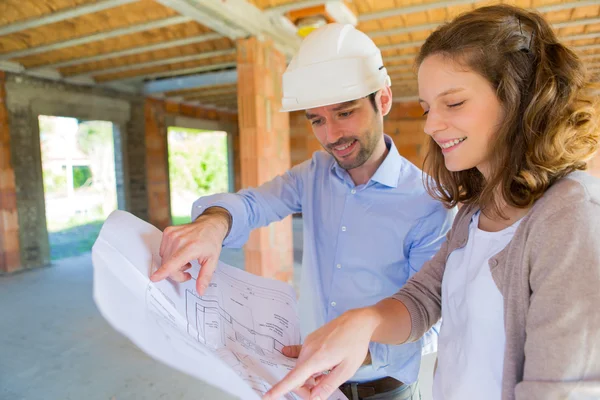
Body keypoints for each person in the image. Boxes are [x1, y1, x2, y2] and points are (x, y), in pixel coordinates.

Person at [263, 4, 600, 400]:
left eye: (453, 103)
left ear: (519, 99)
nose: (430, 124)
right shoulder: (476, 209)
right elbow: (425, 299)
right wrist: (365, 323)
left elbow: (562, 391)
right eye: (426, 108)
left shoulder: (571, 216)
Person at [151, 23, 456, 400]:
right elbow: (253, 204)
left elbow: (429, 317)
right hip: (309, 380)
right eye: (317, 120)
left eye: (344, 113)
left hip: (384, 390)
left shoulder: (429, 201)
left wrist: (355, 350)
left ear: (384, 100)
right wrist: (214, 223)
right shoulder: (313, 175)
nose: (331, 136)